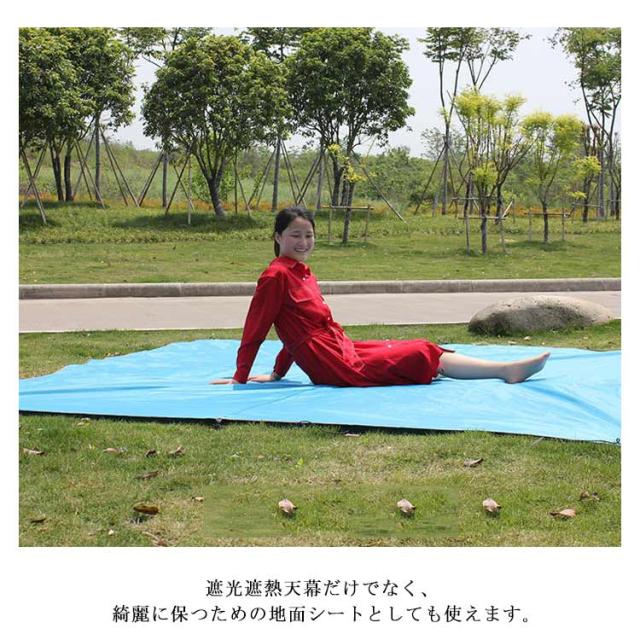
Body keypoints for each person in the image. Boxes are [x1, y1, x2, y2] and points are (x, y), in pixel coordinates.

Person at [211, 205, 549, 387]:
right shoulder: (275, 276)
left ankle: (504, 369)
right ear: (277, 237)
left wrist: (277, 374)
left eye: (309, 235)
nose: (303, 242)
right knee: (420, 351)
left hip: (339, 348)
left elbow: (293, 331)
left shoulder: (302, 272)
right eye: (295, 235)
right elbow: (257, 328)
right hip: (333, 363)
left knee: (420, 345)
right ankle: (505, 370)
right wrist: (241, 377)